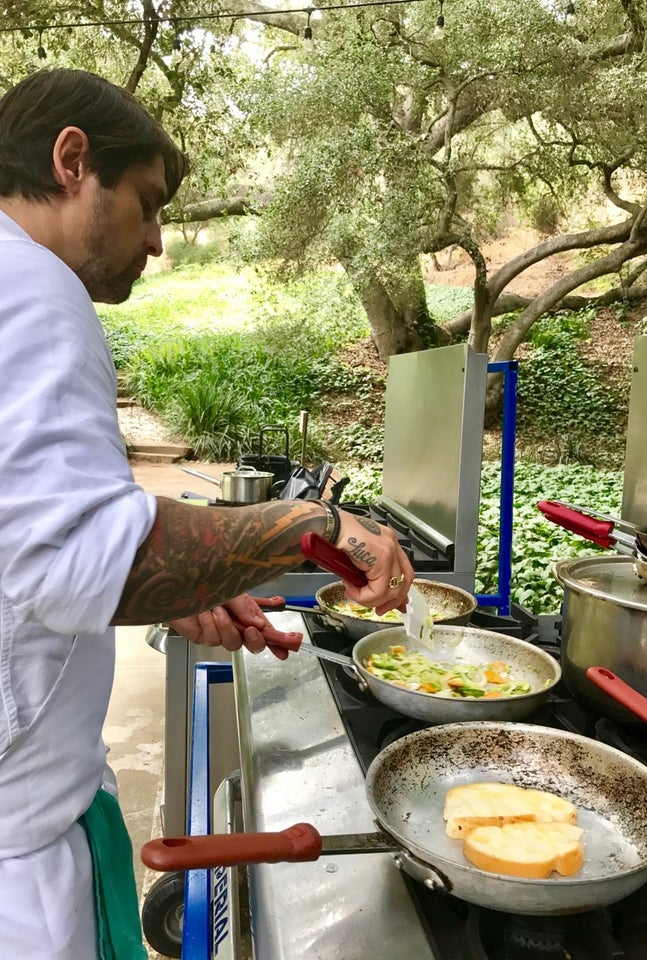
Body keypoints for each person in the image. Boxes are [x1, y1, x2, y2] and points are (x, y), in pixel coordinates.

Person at [0, 68, 414, 960]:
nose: (155, 242)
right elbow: (67, 556)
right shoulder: (34, 290)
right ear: (73, 160)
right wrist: (316, 525)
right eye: (146, 204)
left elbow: (24, 530)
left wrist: (163, 587)